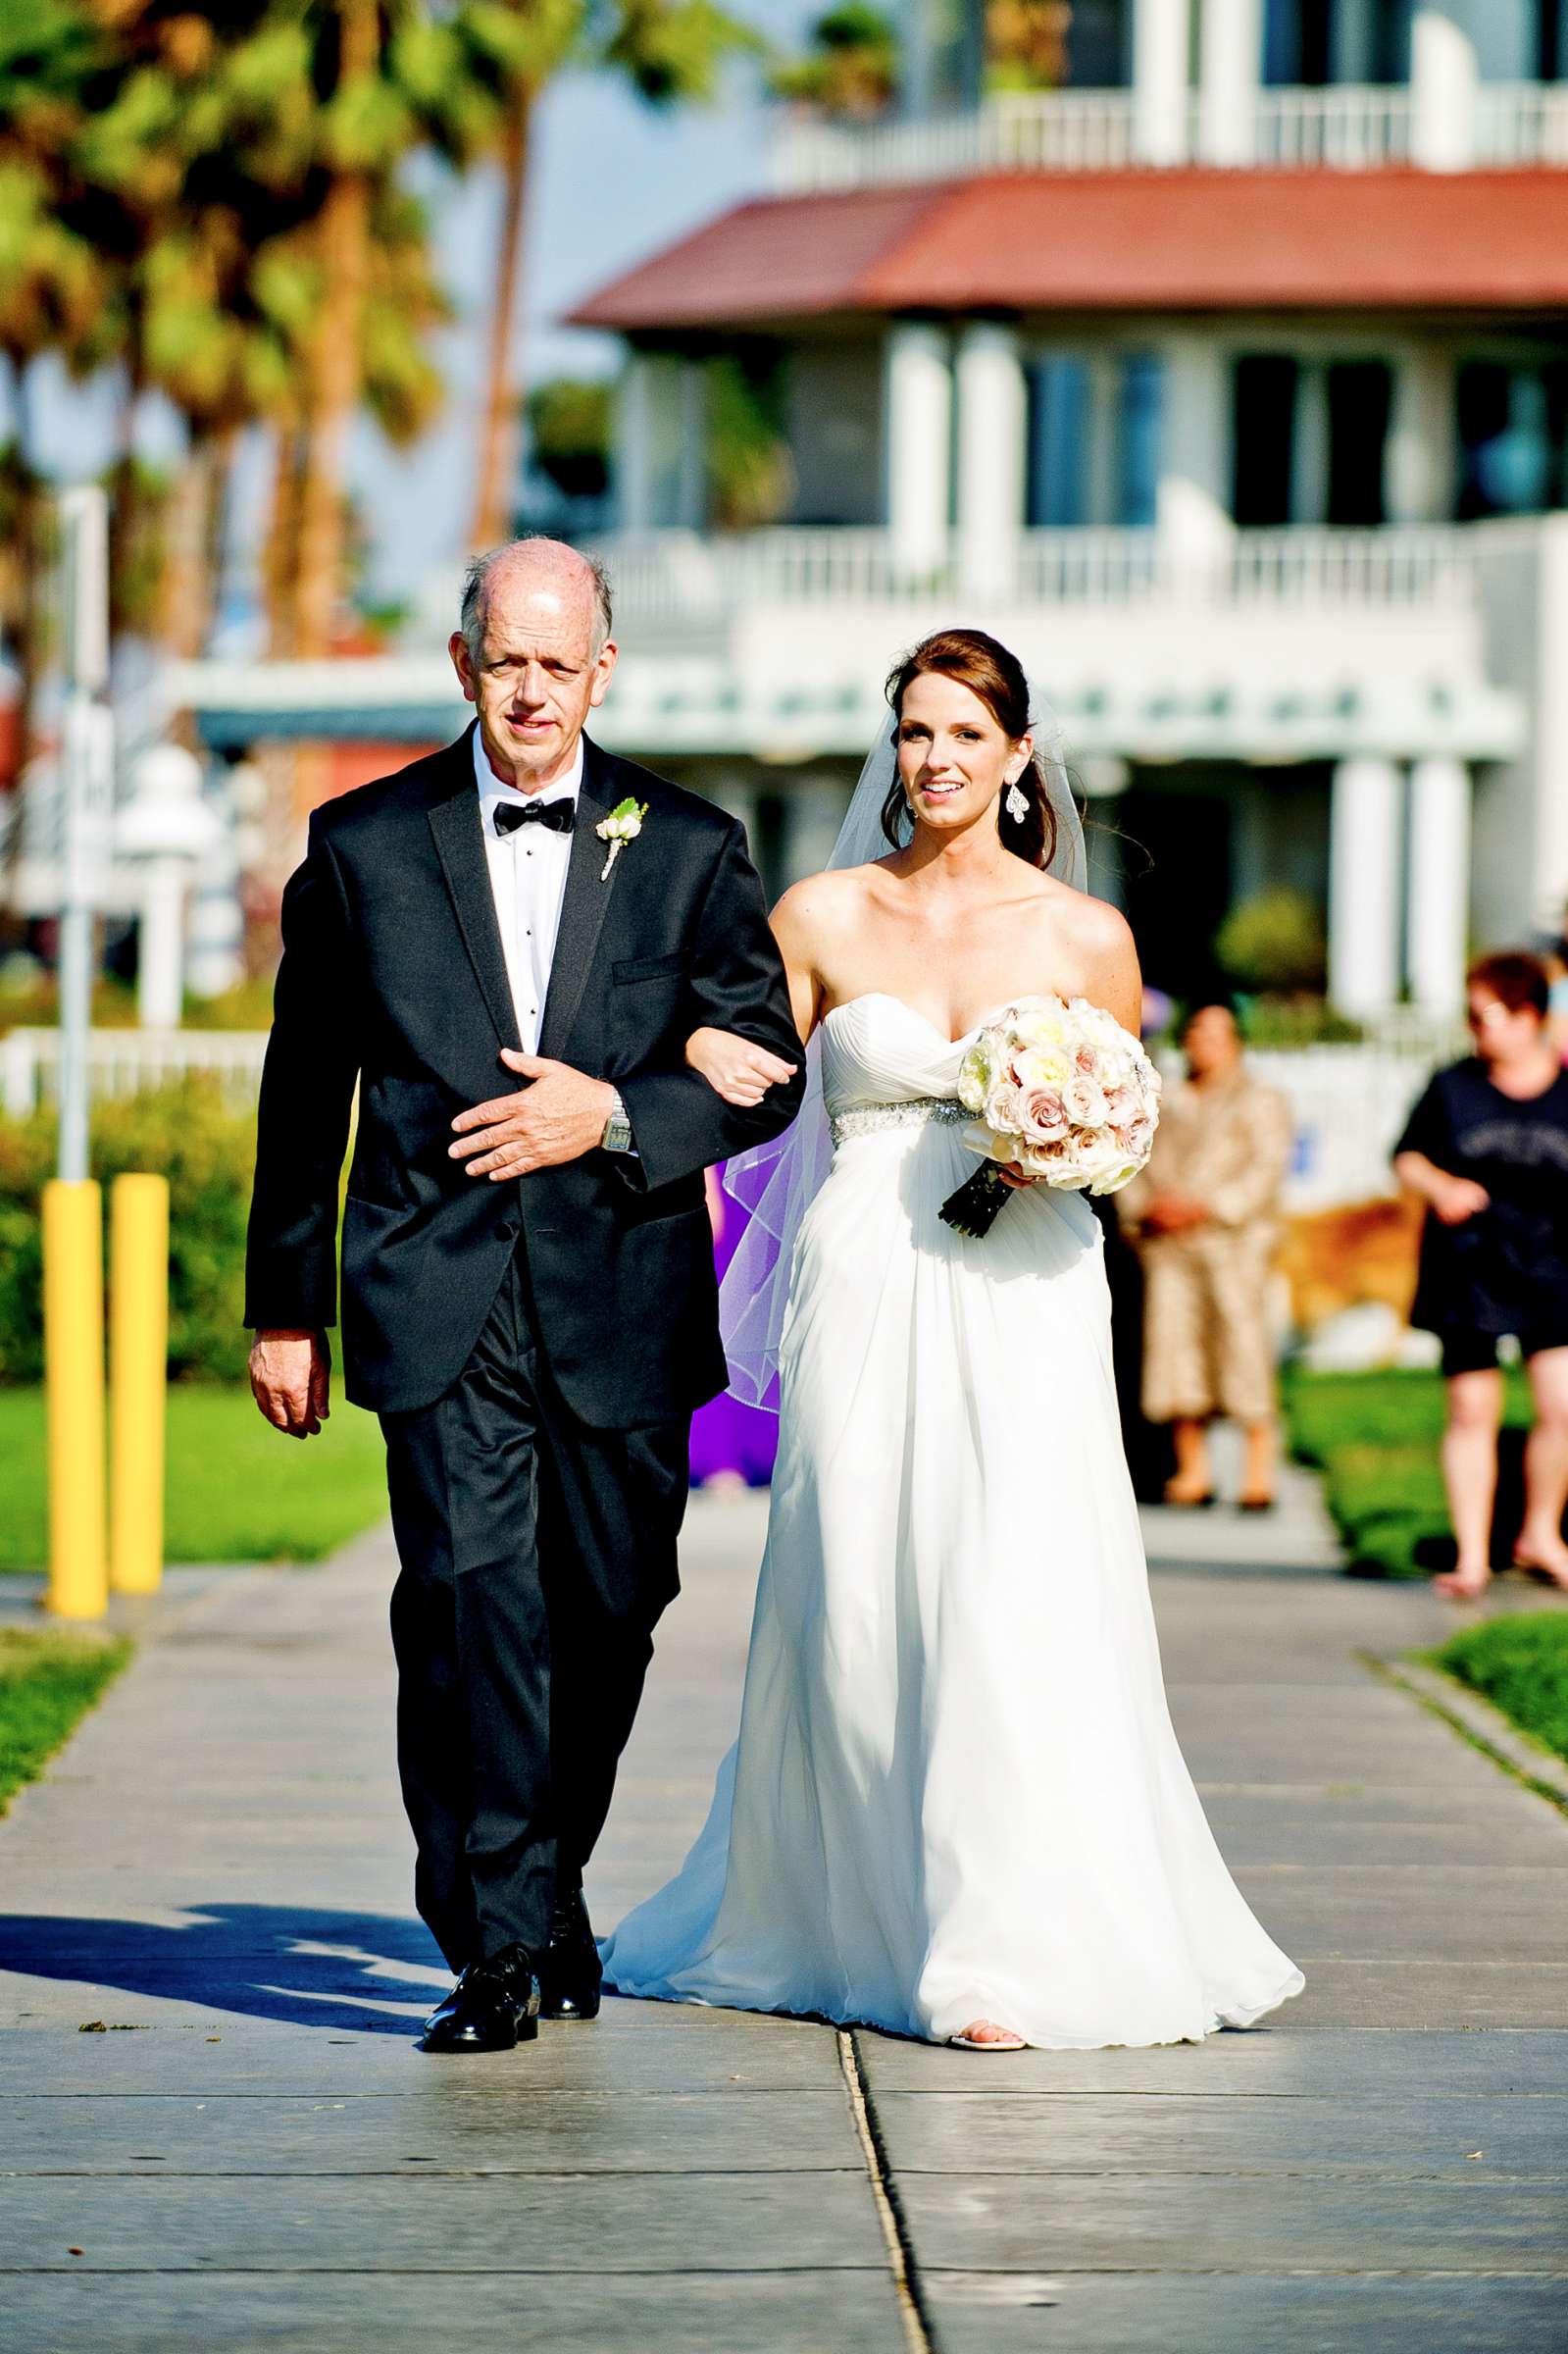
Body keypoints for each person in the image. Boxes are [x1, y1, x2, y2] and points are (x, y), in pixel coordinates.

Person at [598, 629, 1302, 2052]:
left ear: (1017, 757)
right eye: (914, 733)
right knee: (855, 1576)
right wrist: (674, 1070)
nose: (933, 762)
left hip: (1022, 1290)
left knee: (1010, 1581)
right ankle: (844, 1907)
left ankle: (996, 1946)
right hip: (863, 1272)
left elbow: (1121, 1112)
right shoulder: (818, 915)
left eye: (964, 738)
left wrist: (1064, 1140)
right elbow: (739, 1081)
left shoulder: (1081, 935)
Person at [244, 537, 804, 2055]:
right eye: (509, 661)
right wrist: (283, 1308)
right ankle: (491, 1942)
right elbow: (304, 1098)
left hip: (618, 1292)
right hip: (434, 1288)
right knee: (467, 1603)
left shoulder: (686, 845)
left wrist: (615, 1114)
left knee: (609, 1607)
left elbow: (759, 1071)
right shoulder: (361, 846)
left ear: (603, 670)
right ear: (462, 664)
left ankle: (548, 1883)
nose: (534, 691)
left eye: (562, 664)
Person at [1392, 950, 1568, 1601]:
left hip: (1552, 1267)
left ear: (1528, 1017)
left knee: (1563, 1407)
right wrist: (1438, 1185)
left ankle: (1540, 1534)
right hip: (1467, 1268)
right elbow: (1406, 1156)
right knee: (1471, 1409)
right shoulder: (1452, 1087)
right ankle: (1470, 1556)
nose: (1476, 1030)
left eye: (1484, 1016)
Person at [1117, 999, 1294, 1511]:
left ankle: (1258, 1473)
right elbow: (1129, 1156)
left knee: (1243, 1350)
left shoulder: (1262, 1100)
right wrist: (1146, 1209)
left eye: (1217, 1035)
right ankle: (1192, 1470)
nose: (1205, 1045)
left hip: (1233, 1245)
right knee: (1176, 1354)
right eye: (1197, 1033)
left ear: (1236, 1041)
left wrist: (1208, 1206)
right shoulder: (1163, 1099)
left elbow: (1266, 1169)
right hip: (1168, 1245)